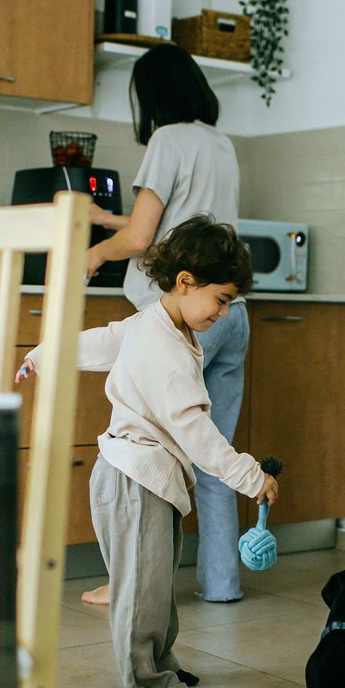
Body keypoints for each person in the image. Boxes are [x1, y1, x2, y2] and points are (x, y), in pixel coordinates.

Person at [16, 216, 278, 688]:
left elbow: (94, 342)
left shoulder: (152, 325)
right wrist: (251, 477)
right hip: (134, 481)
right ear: (185, 282)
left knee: (154, 584)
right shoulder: (168, 352)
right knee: (140, 594)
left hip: (140, 479)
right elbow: (199, 435)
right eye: (221, 300)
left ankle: (162, 665)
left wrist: (42, 356)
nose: (223, 313)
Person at [78, 42, 249, 606]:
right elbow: (178, 225)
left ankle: (126, 580)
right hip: (230, 313)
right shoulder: (219, 144)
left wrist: (97, 250)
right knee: (212, 450)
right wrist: (106, 216)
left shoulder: (167, 139)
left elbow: (143, 239)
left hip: (179, 316)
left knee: (138, 448)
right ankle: (221, 585)